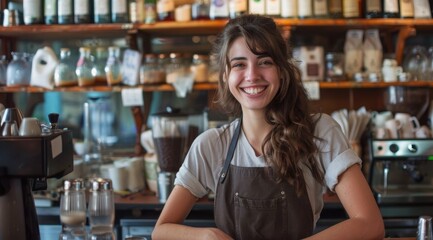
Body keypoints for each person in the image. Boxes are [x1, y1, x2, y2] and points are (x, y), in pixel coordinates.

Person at [152, 14, 384, 240]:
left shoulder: (319, 131)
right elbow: (161, 231)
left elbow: (370, 224)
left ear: (282, 72)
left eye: (264, 62)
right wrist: (206, 235)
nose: (252, 75)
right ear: (226, 76)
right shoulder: (211, 145)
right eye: (239, 64)